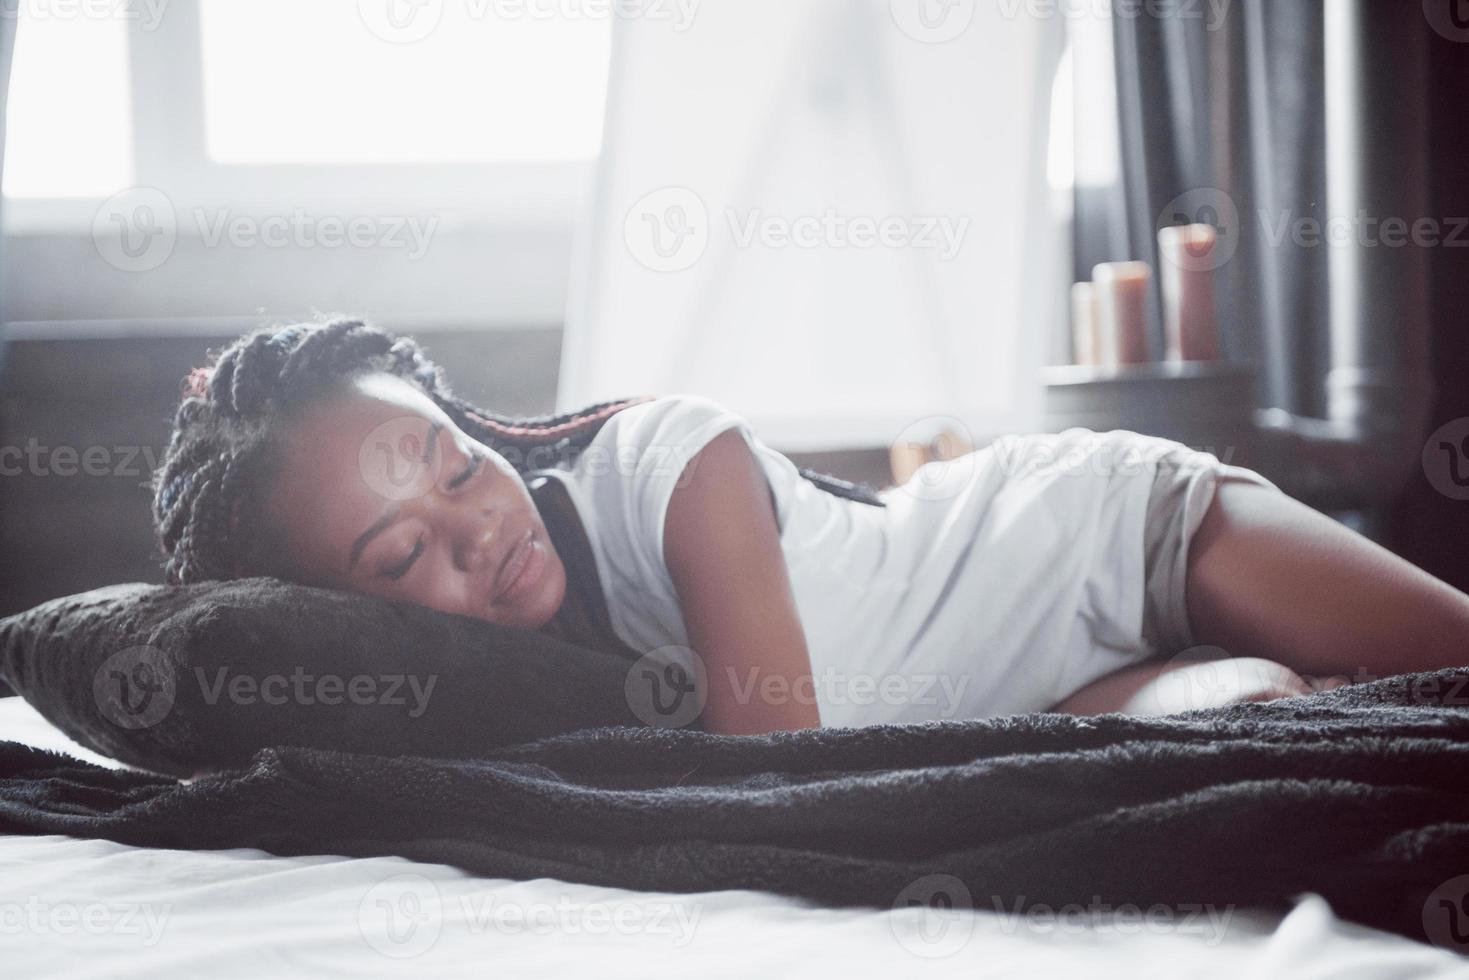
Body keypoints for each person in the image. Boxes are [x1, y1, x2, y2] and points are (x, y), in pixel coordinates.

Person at [151, 317, 1469, 735]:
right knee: (1294, 714)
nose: (473, 531)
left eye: (455, 469)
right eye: (399, 560)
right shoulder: (463, 680)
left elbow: (776, 767)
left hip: (1104, 540)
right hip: (1068, 708)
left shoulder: (674, 463)